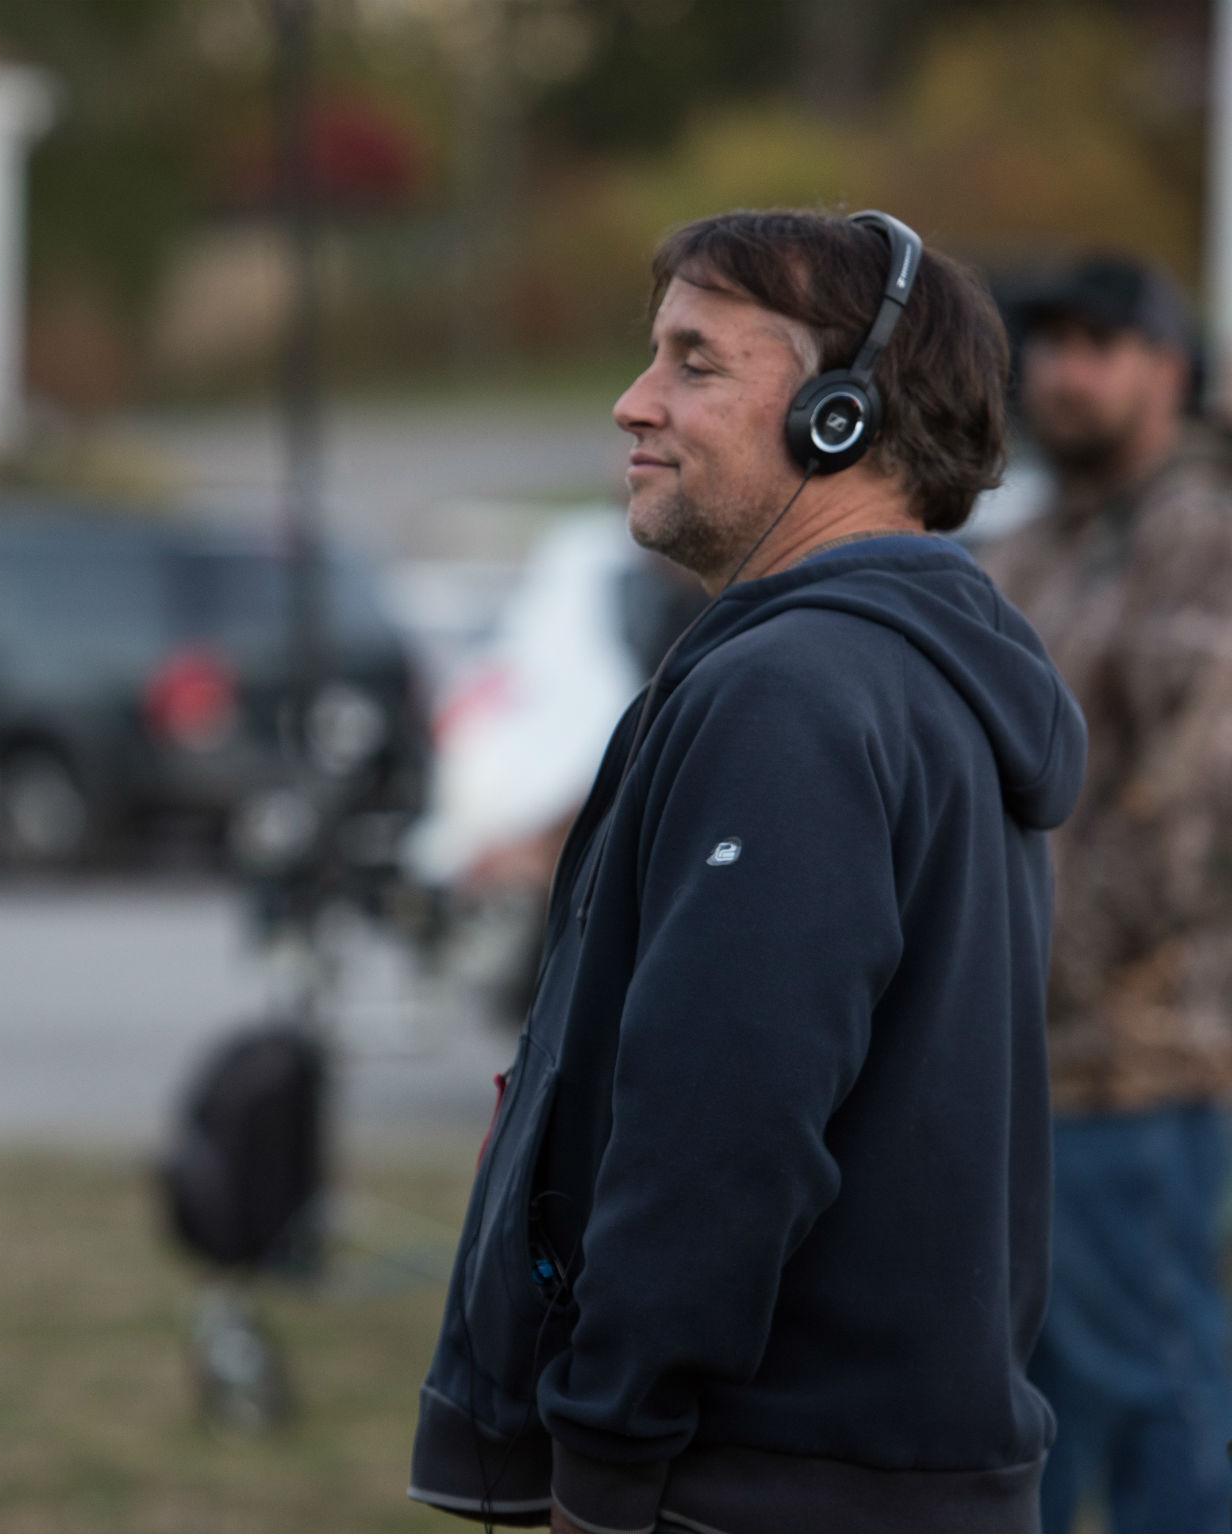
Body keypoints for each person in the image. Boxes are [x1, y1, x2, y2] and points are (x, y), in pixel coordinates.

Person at [410, 209, 1085, 1531]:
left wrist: (605, 1460)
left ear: (842, 412)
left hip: (751, 1484)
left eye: (695, 362)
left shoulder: (800, 691)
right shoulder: (891, 673)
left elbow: (721, 1128)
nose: (633, 402)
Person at [985, 255, 1232, 1532]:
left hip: (1140, 1065)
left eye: (1098, 343)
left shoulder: (1201, 535)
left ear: (1169, 368)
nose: (1061, 372)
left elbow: (1190, 808)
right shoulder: (1031, 541)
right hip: (1015, 1070)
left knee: (1158, 1399)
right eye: (1048, 343)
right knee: (1022, 1409)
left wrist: (1029, 960)